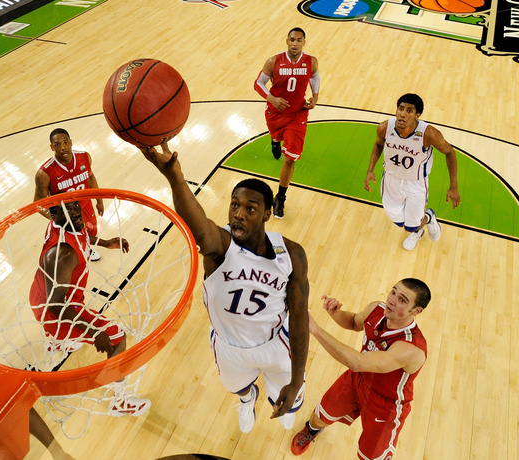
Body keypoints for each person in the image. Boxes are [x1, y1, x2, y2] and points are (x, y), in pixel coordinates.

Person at [141, 142, 310, 433]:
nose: (238, 214)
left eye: (250, 208)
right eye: (234, 205)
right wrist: (175, 179)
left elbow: (299, 317)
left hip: (274, 343)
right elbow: (198, 225)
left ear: (268, 214)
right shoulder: (220, 246)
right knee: (239, 387)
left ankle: (284, 394)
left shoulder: (291, 254)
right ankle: (248, 400)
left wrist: (296, 381)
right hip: (229, 346)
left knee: (290, 401)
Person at [29, 200, 151, 417]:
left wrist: (104, 243)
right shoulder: (63, 253)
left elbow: (82, 235)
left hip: (40, 294)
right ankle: (120, 401)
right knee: (116, 337)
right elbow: (56, 304)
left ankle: (56, 341)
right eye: (68, 208)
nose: (77, 211)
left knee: (76, 320)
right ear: (53, 213)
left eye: (76, 205)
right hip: (54, 308)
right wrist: (96, 333)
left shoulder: (65, 224)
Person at [291, 279, 431, 458]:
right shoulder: (376, 309)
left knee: (370, 455)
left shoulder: (412, 348)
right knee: (322, 414)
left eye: (402, 300)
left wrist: (316, 330)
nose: (392, 300)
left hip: (386, 403)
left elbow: (358, 362)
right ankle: (311, 431)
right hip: (358, 379)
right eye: (393, 292)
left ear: (416, 311)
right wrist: (336, 313)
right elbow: (354, 322)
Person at [364, 93, 460, 251]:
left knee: (410, 226)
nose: (402, 114)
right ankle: (420, 224)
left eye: (409, 111)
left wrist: (453, 186)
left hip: (416, 184)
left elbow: (450, 152)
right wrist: (370, 170)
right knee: (398, 221)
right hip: (390, 180)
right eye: (400, 109)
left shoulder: (428, 134)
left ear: (417, 115)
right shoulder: (384, 128)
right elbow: (378, 145)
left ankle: (427, 218)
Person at [253, 27, 320, 219]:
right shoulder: (273, 61)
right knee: (277, 136)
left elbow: (315, 77)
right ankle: (274, 139)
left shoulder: (311, 62)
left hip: (298, 115)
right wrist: (271, 98)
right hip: (275, 112)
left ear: (304, 42)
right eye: (292, 39)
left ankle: (280, 197)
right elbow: (258, 83)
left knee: (290, 158)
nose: (295, 43)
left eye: (299, 40)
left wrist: (315, 96)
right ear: (286, 41)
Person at [34, 128, 105, 261]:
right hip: (66, 213)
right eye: (57, 145)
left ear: (71, 142)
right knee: (71, 242)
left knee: (91, 232)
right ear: (51, 147)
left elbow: (90, 178)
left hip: (85, 205)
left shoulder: (84, 156)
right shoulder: (44, 173)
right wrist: (56, 218)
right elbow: (38, 203)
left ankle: (87, 249)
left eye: (66, 142)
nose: (63, 148)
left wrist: (99, 200)